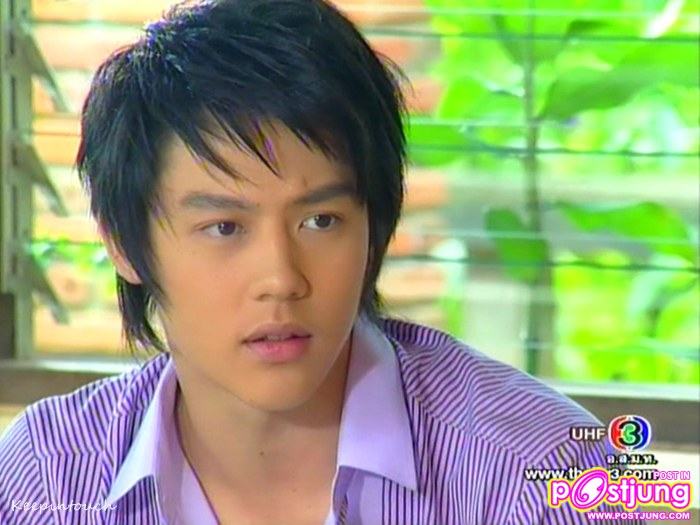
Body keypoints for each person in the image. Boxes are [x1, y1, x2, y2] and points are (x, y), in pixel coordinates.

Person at [0, 0, 645, 523]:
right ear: (122, 241)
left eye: (321, 221)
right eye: (224, 227)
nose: (282, 279)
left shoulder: (546, 473)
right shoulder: (45, 479)